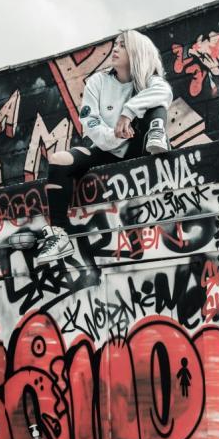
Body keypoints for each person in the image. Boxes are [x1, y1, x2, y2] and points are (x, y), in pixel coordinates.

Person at [36, 30, 173, 266]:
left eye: (123, 45)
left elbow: (165, 92)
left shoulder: (149, 81)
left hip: (141, 146)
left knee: (155, 102)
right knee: (58, 159)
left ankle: (158, 136)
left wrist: (128, 113)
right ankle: (59, 235)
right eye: (115, 44)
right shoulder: (97, 82)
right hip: (106, 148)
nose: (115, 48)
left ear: (137, 53)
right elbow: (90, 124)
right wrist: (115, 135)